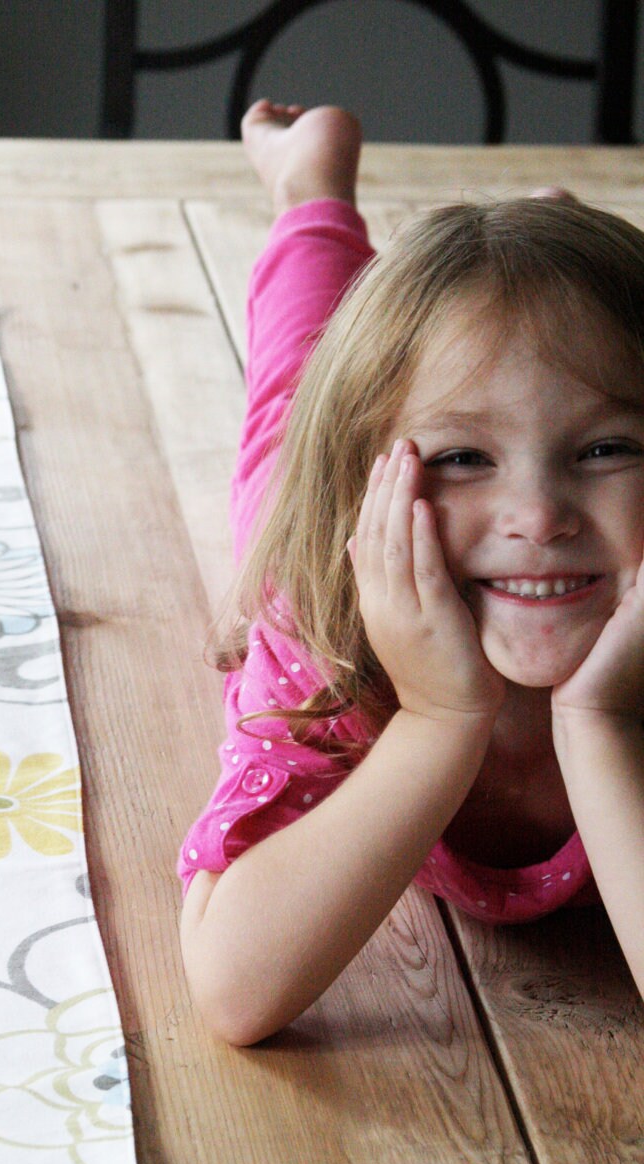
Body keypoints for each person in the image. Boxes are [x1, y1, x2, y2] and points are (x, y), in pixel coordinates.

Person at [179, 100, 644, 1046]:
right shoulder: (322, 612)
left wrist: (599, 719)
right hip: (327, 516)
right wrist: (440, 718)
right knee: (300, 376)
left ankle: (520, 267)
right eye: (466, 458)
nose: (539, 518)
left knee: (505, 329)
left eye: (604, 447)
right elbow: (233, 991)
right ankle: (312, 190)